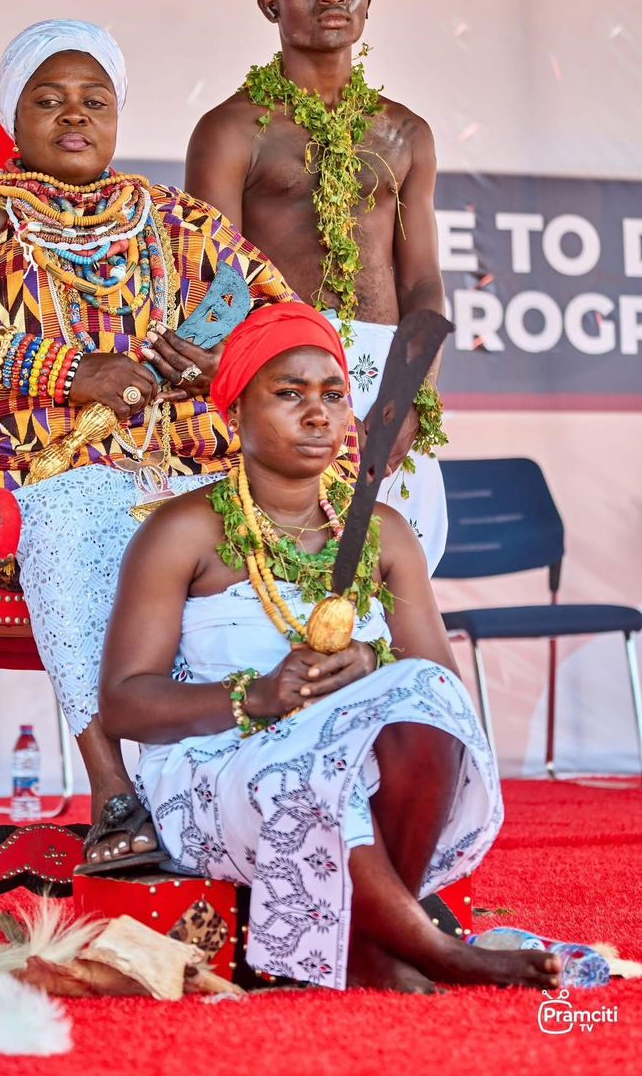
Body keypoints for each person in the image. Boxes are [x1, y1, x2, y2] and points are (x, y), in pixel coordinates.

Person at [0, 19, 303, 872]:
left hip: (173, 464)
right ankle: (116, 795)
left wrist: (221, 364)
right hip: (18, 475)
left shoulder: (173, 219)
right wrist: (75, 373)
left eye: (94, 101)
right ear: (15, 116)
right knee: (89, 513)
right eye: (48, 99)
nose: (74, 116)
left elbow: (282, 330)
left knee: (250, 525)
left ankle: (256, 791)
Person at [100, 303, 563, 993]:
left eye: (334, 396)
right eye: (289, 394)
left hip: (354, 775)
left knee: (425, 696)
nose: (318, 416)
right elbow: (124, 707)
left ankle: (370, 943)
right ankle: (433, 950)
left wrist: (372, 668)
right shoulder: (181, 532)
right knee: (315, 770)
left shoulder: (384, 531)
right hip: (216, 773)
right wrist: (254, 697)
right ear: (234, 410)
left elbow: (442, 691)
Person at [186, 0, 449, 573]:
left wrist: (411, 397)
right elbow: (216, 282)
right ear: (270, 2)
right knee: (287, 577)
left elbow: (422, 282)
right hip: (282, 372)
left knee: (391, 583)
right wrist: (262, 392)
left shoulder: (407, 132)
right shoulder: (230, 129)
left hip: (389, 369)